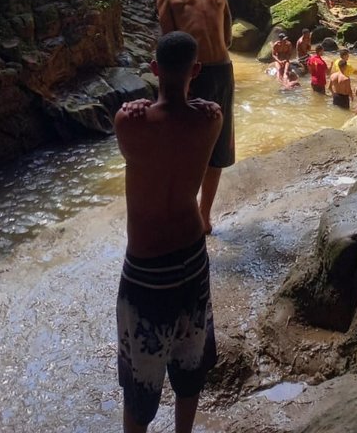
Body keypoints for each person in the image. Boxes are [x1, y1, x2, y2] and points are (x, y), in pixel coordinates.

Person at [114, 30, 221, 433]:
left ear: (154, 68)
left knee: (139, 385)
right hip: (191, 259)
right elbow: (191, 110)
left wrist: (137, 103)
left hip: (146, 270)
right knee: (189, 368)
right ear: (196, 69)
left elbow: (146, 123)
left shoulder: (130, 122)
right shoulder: (211, 119)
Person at [156, 0, 234, 235]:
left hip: (191, 72)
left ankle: (182, 213)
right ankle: (204, 217)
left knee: (185, 142)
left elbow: (171, 45)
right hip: (224, 70)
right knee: (218, 142)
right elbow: (227, 39)